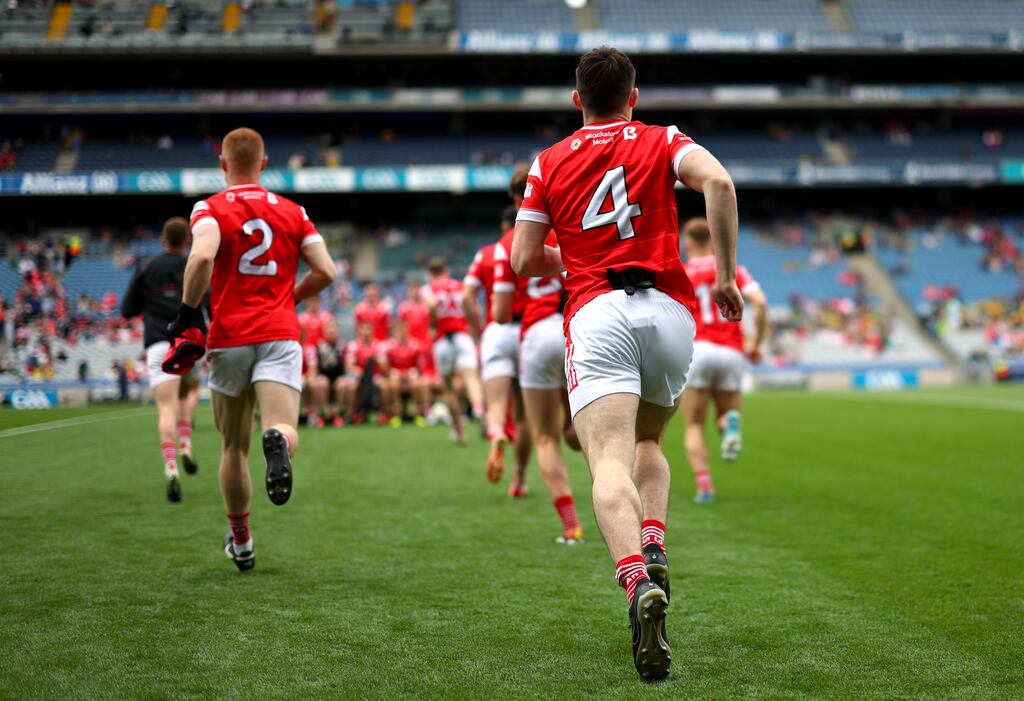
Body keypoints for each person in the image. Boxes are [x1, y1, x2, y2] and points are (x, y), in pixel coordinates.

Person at [511, 47, 740, 681]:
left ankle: (638, 582)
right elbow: (718, 182)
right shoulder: (663, 137)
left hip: (596, 309)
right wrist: (723, 275)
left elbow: (525, 258)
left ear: (576, 98)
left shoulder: (549, 160)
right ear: (633, 95)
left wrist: (580, 262)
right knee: (648, 440)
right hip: (668, 310)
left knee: (607, 458)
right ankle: (656, 540)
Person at [163, 127, 337, 572]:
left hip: (229, 337)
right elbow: (327, 271)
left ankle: (241, 541)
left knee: (233, 448)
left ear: (223, 164)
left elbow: (201, 258)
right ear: (263, 163)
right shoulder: (294, 211)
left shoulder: (210, 208)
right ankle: (279, 440)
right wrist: (288, 299)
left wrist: (186, 314)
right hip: (279, 332)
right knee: (280, 426)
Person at [494, 224, 581, 542]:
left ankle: (572, 525)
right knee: (587, 433)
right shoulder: (574, 223)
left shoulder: (508, 242)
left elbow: (501, 313)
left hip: (536, 335)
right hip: (577, 327)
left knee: (545, 437)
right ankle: (620, 507)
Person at [681, 217, 767, 503]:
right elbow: (761, 303)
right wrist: (757, 344)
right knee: (726, 415)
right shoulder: (732, 269)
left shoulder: (682, 272)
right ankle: (729, 424)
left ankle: (705, 487)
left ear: (688, 241)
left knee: (694, 425)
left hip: (699, 350)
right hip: (731, 350)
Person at [121, 216, 203, 503]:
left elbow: (127, 309)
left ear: (163, 240)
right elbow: (207, 304)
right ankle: (186, 443)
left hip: (159, 344)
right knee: (190, 393)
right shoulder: (194, 264)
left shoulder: (147, 267)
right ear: (187, 242)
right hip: (189, 343)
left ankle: (171, 468)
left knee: (165, 408)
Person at [463, 177, 533, 496]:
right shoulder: (535, 242)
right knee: (524, 412)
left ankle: (495, 433)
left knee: (496, 402)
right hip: (530, 328)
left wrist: (479, 330)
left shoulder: (489, 252)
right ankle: (519, 477)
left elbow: (467, 296)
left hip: (497, 328)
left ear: (503, 225)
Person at [424, 258, 483, 444]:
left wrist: (433, 323)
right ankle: (479, 409)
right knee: (471, 378)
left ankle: (459, 432)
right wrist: (474, 331)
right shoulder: (459, 285)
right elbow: (473, 306)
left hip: (443, 339)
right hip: (462, 335)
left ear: (431, 273)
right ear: (446, 271)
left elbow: (432, 304)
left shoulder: (430, 287)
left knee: (448, 388)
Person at [338, 321, 390, 424]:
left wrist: (377, 360)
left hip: (375, 375)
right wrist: (357, 370)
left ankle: (383, 413)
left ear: (372, 332)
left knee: (384, 385)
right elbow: (349, 366)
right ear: (359, 332)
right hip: (358, 375)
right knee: (351, 386)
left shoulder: (379, 345)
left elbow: (385, 370)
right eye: (363, 330)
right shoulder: (353, 345)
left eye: (368, 330)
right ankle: (352, 413)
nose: (366, 333)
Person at [384, 320, 430, 426]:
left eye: (404, 330)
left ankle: (419, 415)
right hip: (395, 374)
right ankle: (396, 415)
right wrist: (396, 374)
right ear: (395, 332)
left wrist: (410, 373)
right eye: (399, 331)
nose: (402, 333)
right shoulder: (389, 345)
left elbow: (419, 365)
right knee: (393, 385)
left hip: (411, 373)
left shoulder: (415, 344)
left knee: (416, 384)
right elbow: (385, 365)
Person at [307, 319, 345, 427]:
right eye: (329, 330)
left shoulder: (342, 346)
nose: (331, 332)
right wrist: (312, 376)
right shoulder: (319, 346)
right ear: (324, 332)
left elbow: (346, 364)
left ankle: (338, 414)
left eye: (333, 330)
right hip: (323, 375)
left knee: (342, 385)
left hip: (339, 375)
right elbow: (314, 365)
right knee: (322, 383)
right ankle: (322, 414)